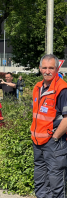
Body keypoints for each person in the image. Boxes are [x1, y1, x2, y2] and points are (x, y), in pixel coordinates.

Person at [30, 54, 67, 198]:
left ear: (57, 68)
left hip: (54, 143)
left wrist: (56, 137)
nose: (47, 71)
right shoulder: (37, 87)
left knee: (57, 185)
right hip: (37, 142)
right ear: (40, 69)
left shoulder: (62, 89)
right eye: (44, 67)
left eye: (51, 68)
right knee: (40, 183)